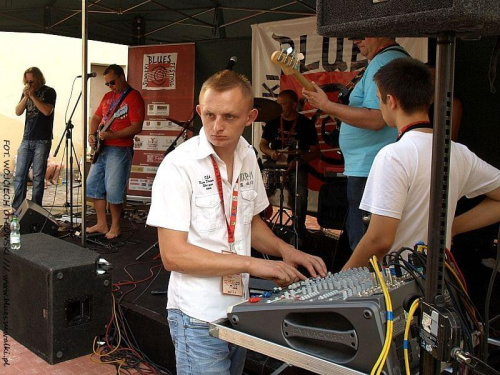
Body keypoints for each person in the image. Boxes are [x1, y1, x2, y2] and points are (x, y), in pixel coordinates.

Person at [146, 70, 327, 375]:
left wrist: (286, 251)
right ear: (199, 112)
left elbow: (250, 223)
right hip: (197, 315)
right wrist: (254, 265)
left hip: (237, 308)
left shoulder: (247, 156)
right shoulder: (179, 166)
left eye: (229, 117)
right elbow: (172, 255)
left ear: (250, 117)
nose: (217, 127)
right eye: (210, 115)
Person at [342, 58, 500, 270]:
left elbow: (379, 240)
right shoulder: (458, 152)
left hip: (396, 284)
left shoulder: (393, 156)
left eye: (379, 100)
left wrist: (343, 278)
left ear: (391, 101)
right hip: (437, 279)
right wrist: (451, 227)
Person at [302, 38, 409, 251]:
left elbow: (376, 118)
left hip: (369, 169)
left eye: (362, 33)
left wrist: (327, 106)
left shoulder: (383, 62)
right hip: (368, 167)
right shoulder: (387, 60)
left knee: (364, 244)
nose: (354, 39)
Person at [87, 64, 145, 239]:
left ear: (122, 77)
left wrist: (114, 135)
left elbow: (137, 126)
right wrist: (92, 134)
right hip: (102, 147)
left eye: (112, 82)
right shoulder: (107, 97)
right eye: (107, 84)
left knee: (114, 189)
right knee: (92, 184)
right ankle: (102, 224)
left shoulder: (133, 97)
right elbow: (96, 117)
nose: (110, 86)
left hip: (119, 149)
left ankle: (116, 226)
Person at [259, 90, 320, 233]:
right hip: (274, 166)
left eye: (283, 104)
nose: (279, 108)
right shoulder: (273, 121)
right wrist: (271, 153)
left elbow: (316, 152)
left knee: (300, 195)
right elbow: (263, 145)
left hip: (296, 166)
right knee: (259, 193)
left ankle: (298, 229)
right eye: (278, 104)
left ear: (293, 105)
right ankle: (260, 228)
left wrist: (301, 160)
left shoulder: (305, 124)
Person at [13, 67, 56, 211]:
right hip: (27, 138)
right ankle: (18, 209)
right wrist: (26, 96)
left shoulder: (49, 91)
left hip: (42, 139)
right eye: (27, 81)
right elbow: (18, 111)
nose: (29, 84)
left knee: (38, 177)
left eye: (32, 81)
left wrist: (33, 97)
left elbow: (46, 111)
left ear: (38, 78)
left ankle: (36, 209)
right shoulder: (26, 93)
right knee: (19, 174)